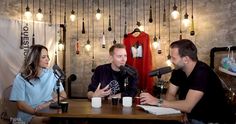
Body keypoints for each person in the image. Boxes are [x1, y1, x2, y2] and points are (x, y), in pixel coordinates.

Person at [140, 39, 234, 124]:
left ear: (185, 59)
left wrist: (157, 101)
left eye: (174, 58)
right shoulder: (178, 70)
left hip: (212, 120)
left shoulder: (202, 72)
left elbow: (188, 106)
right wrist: (181, 110)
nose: (171, 61)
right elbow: (170, 94)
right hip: (192, 116)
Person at [9, 44, 67, 124]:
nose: (47, 59)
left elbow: (63, 95)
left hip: (47, 112)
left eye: (47, 56)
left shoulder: (52, 74)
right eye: (43, 57)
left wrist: (47, 104)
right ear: (34, 59)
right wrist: (37, 113)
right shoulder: (21, 78)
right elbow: (20, 105)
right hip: (28, 115)